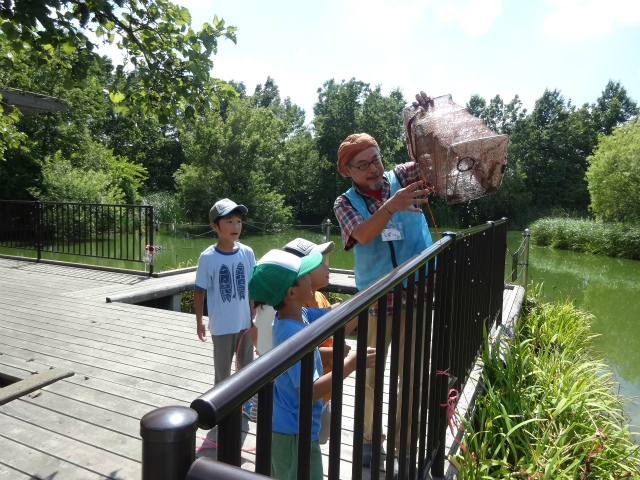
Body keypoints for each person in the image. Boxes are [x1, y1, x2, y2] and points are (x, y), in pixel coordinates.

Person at [332, 92, 434, 474]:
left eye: (375, 158)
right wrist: (391, 206)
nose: (374, 168)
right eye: (363, 165)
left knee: (412, 376)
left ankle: (406, 448)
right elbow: (362, 235)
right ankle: (368, 441)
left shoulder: (403, 175)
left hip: (420, 292)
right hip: (376, 300)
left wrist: (423, 119)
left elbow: (435, 160)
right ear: (349, 171)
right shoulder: (344, 203)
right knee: (370, 375)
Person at [248, 249, 376, 480]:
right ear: (292, 292)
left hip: (296, 426)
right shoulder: (292, 336)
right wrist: (350, 364)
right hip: (293, 433)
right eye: (305, 274)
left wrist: (364, 297)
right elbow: (309, 391)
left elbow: (328, 312)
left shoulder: (297, 313)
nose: (311, 276)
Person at [194, 198, 256, 389]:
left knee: (246, 368)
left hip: (244, 322)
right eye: (229, 222)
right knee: (222, 372)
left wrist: (253, 309)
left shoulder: (247, 252)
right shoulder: (208, 257)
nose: (235, 226)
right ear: (215, 226)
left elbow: (252, 283)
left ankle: (246, 404)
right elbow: (199, 290)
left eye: (238, 221)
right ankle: (222, 409)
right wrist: (199, 321)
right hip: (221, 325)